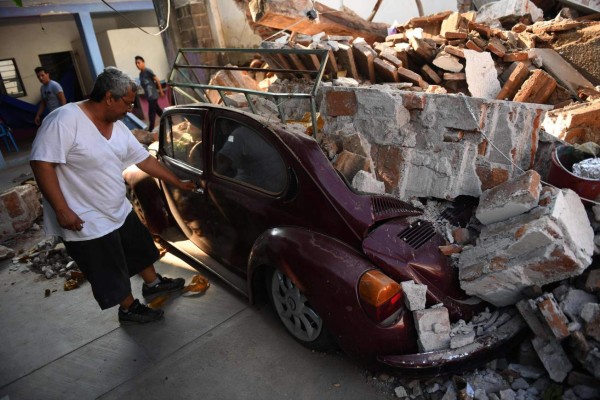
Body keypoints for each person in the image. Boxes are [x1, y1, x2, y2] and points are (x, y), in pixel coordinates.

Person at [30, 67, 196, 324]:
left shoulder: (117, 126)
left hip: (116, 205)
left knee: (139, 247)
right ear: (109, 97)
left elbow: (143, 160)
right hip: (85, 216)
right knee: (108, 266)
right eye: (128, 103)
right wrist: (62, 209)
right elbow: (41, 163)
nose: (131, 109)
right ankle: (128, 308)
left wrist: (177, 182)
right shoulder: (65, 120)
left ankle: (153, 284)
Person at [134, 56, 164, 132]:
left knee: (151, 114)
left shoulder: (148, 71)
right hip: (149, 96)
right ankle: (169, 121)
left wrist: (160, 91)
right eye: (136, 63)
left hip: (153, 96)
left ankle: (150, 130)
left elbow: (157, 80)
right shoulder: (141, 74)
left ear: (143, 62)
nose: (137, 65)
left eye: (139, 62)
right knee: (159, 111)